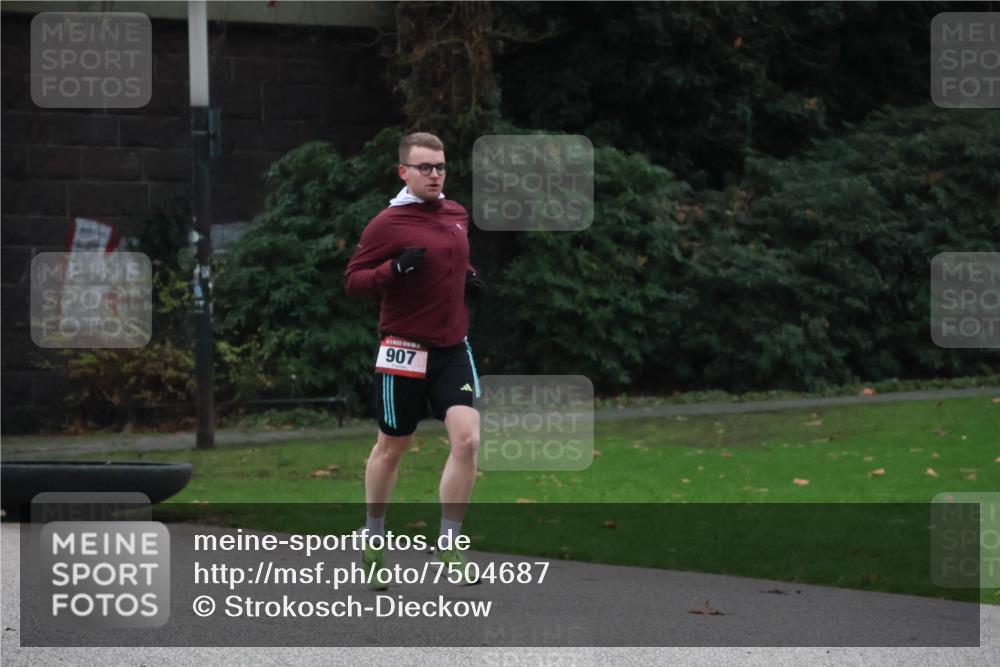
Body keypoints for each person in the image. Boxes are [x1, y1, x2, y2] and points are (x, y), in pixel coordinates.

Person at [344, 132, 486, 588]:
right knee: (392, 448)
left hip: (452, 348)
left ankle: (449, 545)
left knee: (467, 440)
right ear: (403, 171)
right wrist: (394, 270)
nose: (435, 175)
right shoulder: (387, 223)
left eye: (440, 166)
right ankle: (373, 539)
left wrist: (469, 277)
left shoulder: (456, 213)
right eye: (425, 167)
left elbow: (453, 261)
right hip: (404, 349)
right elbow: (354, 281)